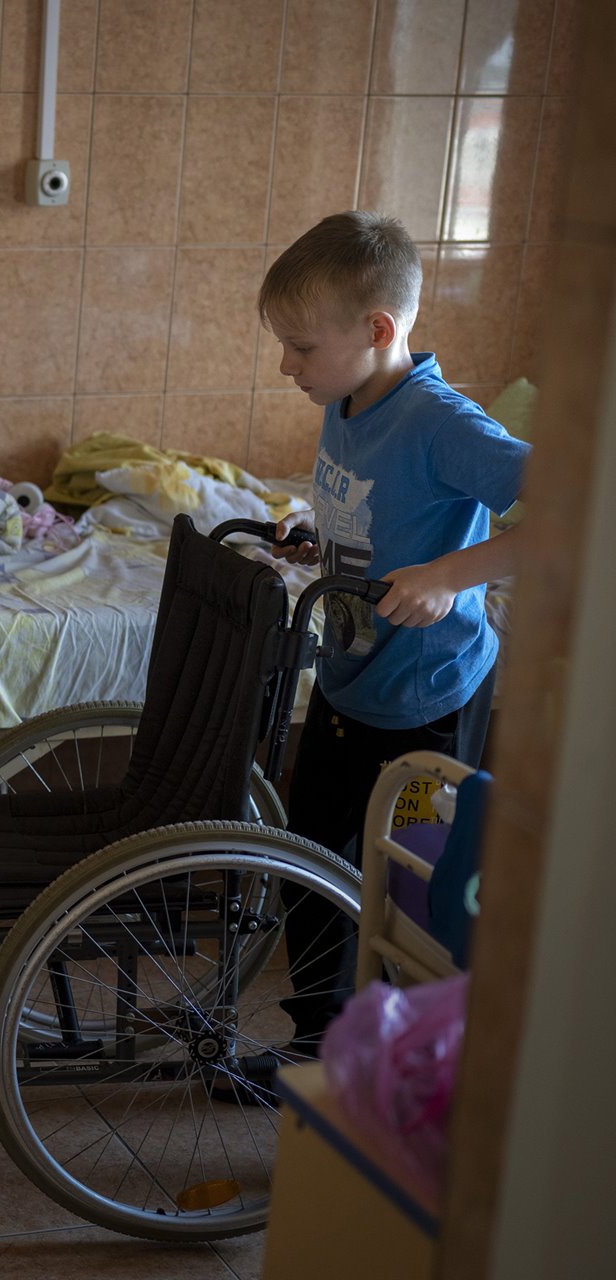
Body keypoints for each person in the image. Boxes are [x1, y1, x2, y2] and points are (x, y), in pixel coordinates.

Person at [244, 210, 528, 1090]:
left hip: (424, 696)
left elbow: (572, 509)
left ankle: (399, 1060)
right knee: (315, 865)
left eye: (299, 348)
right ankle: (318, 1046)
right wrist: (313, 539)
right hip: (348, 677)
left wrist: (450, 572)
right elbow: (368, 515)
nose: (286, 367)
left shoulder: (443, 423)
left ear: (377, 330)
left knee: (400, 893)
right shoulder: (349, 398)